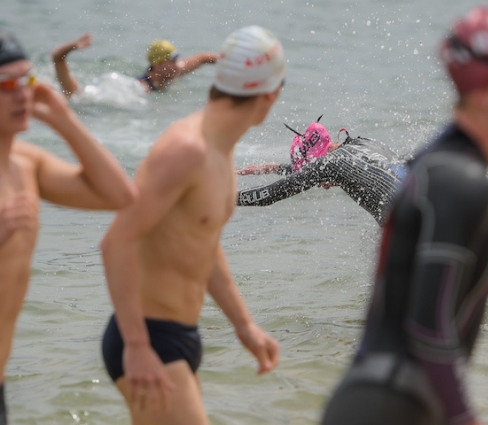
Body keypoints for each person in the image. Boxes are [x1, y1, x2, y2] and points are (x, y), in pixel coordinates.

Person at [321, 6, 488, 425]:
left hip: (387, 401)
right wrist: (465, 417)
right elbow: (428, 329)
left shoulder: (436, 162)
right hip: (392, 408)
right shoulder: (456, 180)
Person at [100, 25, 285, 425]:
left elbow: (203, 243)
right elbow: (116, 242)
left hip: (180, 335)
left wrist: (245, 326)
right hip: (147, 338)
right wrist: (136, 346)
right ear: (271, 94)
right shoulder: (186, 149)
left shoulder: (220, 150)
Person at [0, 30, 136, 425]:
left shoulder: (27, 165)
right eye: (7, 85)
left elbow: (119, 196)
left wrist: (65, 121)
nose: (22, 95)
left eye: (26, 81)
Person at [236, 117, 408, 225]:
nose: (323, 186)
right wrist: (257, 169)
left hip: (409, 230)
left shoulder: (330, 164)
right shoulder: (368, 143)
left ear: (316, 159)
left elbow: (269, 195)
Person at [52, 32, 219, 97]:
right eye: (172, 61)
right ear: (159, 64)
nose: (177, 65)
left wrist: (236, 60)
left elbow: (204, 58)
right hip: (112, 89)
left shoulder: (172, 72)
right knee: (76, 95)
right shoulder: (141, 88)